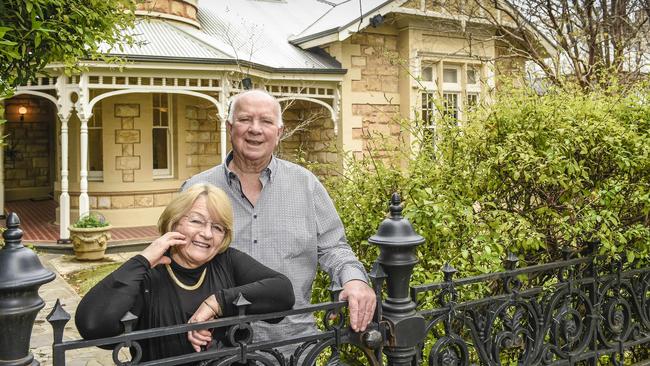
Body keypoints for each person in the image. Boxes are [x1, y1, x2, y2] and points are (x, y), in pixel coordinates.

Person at [180, 89, 376, 347]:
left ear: (279, 132)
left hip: (294, 342)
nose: (255, 129)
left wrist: (354, 279)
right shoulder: (196, 189)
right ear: (230, 127)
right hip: (217, 344)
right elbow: (174, 259)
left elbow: (334, 248)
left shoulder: (306, 185)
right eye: (245, 119)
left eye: (266, 121)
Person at [75, 184, 295, 362]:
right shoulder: (148, 276)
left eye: (218, 227)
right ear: (174, 222)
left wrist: (217, 303)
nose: (207, 234)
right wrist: (142, 260)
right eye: (197, 221)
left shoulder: (226, 261)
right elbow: (93, 325)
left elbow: (283, 292)